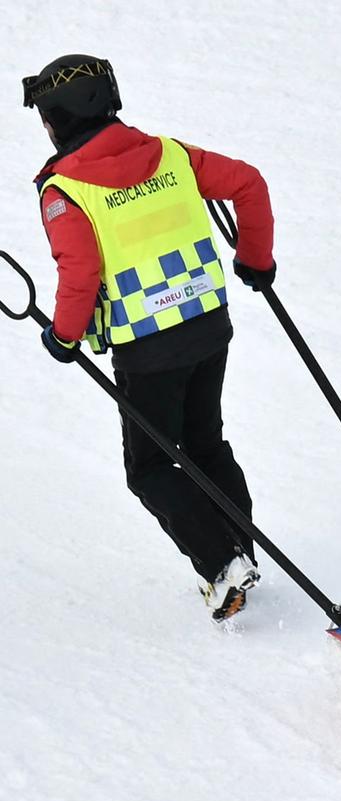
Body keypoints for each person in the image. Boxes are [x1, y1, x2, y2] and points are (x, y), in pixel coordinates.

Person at [23, 55, 276, 620]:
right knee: (205, 443)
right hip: (209, 324)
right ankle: (242, 553)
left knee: (152, 467)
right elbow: (248, 183)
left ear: (57, 119)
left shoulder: (64, 190)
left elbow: (81, 271)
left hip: (147, 348)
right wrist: (255, 259)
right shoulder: (172, 156)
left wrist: (64, 337)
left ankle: (222, 564)